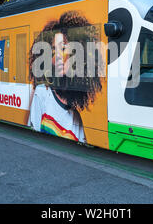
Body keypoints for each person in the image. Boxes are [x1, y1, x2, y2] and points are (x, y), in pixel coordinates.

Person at [27, 11, 103, 143]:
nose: (57, 56)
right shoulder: (42, 94)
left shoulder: (76, 118)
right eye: (53, 50)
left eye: (63, 48)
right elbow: (33, 138)